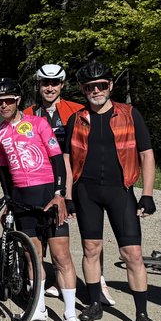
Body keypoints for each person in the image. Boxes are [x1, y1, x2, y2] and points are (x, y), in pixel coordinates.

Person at [0, 78, 89, 321]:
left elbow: (58, 159)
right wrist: (9, 201)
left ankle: (70, 315)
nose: (4, 105)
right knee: (32, 254)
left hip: (48, 195)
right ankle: (39, 307)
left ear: (18, 100)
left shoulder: (39, 123)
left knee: (61, 256)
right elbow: (4, 171)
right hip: (22, 199)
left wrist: (60, 195)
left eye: (8, 100)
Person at [65, 60, 158, 321]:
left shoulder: (129, 114)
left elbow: (146, 154)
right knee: (91, 249)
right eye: (90, 87)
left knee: (133, 254)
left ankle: (142, 314)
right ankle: (94, 303)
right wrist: (69, 195)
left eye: (101, 85)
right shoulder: (77, 118)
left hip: (121, 190)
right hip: (87, 191)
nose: (96, 91)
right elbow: (68, 158)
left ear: (110, 86)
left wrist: (148, 194)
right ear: (83, 90)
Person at [24, 62, 114, 305]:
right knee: (47, 229)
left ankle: (99, 281)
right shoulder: (29, 113)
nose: (50, 88)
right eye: (45, 83)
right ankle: (51, 280)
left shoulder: (76, 110)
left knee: (89, 232)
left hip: (76, 177)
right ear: (39, 85)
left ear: (62, 85)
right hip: (41, 178)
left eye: (54, 83)